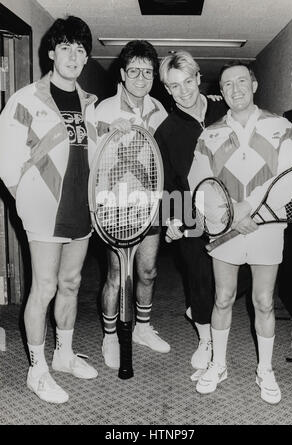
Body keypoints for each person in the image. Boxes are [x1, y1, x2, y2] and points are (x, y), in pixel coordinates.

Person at [187, 61, 292, 404]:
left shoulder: (281, 126)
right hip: (227, 230)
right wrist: (232, 216)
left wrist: (253, 213)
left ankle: (265, 370)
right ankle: (218, 364)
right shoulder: (209, 134)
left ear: (254, 84)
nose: (235, 90)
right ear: (221, 92)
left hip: (267, 227)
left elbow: (290, 180)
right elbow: (199, 185)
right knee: (222, 298)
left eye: (241, 82)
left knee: (264, 302)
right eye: (227, 85)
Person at [0, 16, 99, 404]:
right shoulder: (25, 100)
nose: (74, 56)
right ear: (52, 52)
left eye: (81, 50)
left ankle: (64, 355)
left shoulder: (89, 104)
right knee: (44, 287)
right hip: (45, 210)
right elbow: (7, 160)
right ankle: (36, 369)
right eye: (67, 48)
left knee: (71, 283)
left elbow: (91, 155)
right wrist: (27, 201)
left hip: (81, 208)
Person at [95, 40, 170, 369]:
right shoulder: (103, 109)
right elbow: (89, 156)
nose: (141, 77)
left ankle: (142, 327)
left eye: (148, 72)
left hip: (149, 202)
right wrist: (108, 130)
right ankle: (110, 335)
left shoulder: (160, 110)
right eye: (135, 71)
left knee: (148, 271)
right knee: (116, 274)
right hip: (114, 202)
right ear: (123, 73)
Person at [154, 51, 227, 380]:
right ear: (167, 91)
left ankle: (204, 313)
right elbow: (168, 182)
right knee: (199, 279)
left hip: (232, 210)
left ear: (198, 78)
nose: (183, 91)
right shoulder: (166, 131)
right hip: (192, 214)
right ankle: (206, 339)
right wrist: (173, 220)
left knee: (238, 279)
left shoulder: (226, 111)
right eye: (174, 86)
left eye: (188, 81)